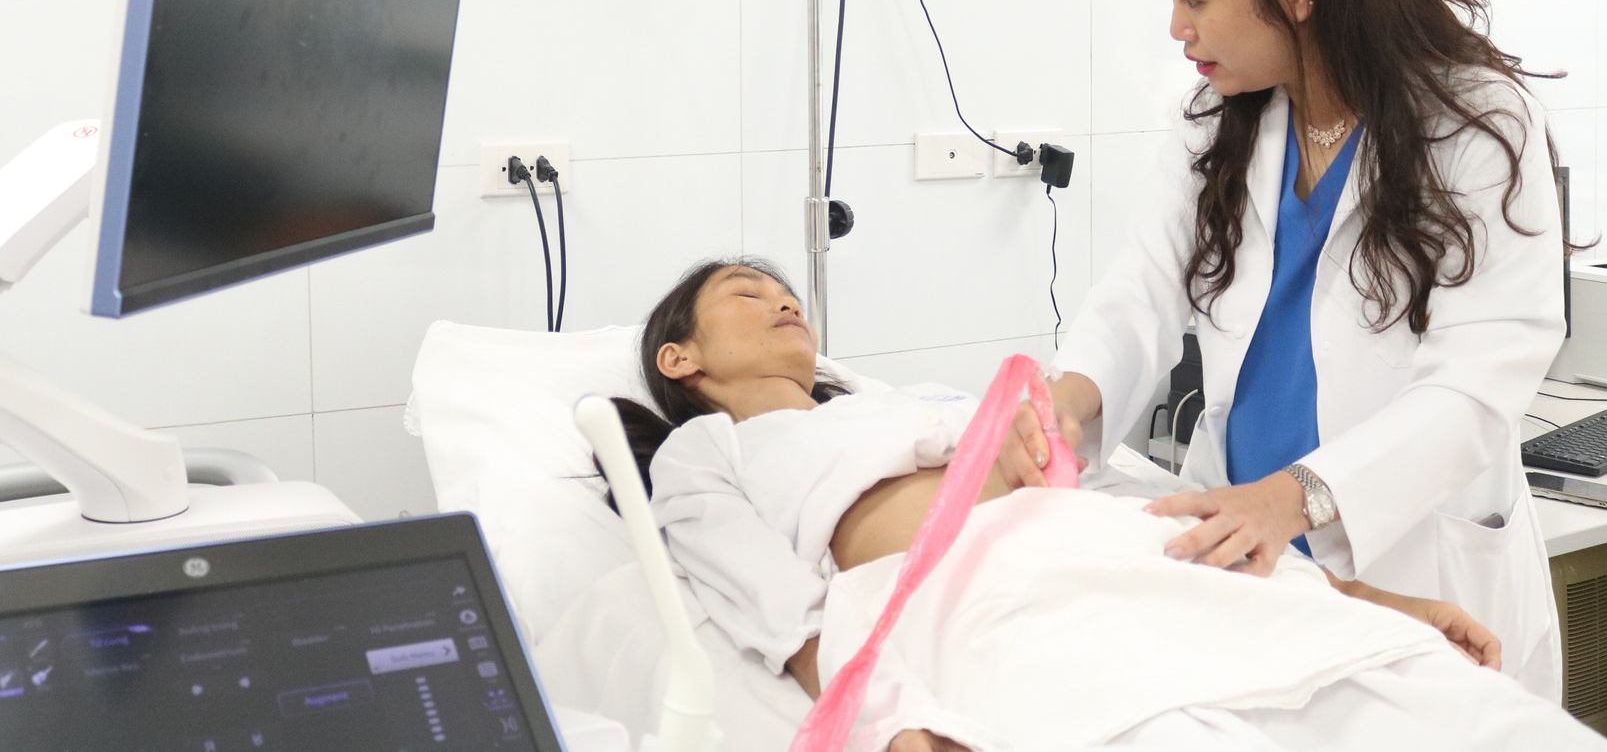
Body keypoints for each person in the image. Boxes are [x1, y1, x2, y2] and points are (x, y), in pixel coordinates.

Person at [1001, 0, 1569, 700]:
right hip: (1251, 554)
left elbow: (1476, 385)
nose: (1176, 28)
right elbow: (1143, 285)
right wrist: (1070, 399)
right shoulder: (1218, 117)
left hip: (1409, 552)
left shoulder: (1475, 125)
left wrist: (1295, 496)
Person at [608, 258, 1596, 751]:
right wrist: (885, 724)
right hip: (995, 599)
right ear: (678, 358)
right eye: (745, 293)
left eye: (786, 288)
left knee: (1463, 716)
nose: (782, 298)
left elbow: (1134, 506)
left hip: (1120, 561)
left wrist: (1361, 598)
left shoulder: (920, 404)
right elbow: (772, 601)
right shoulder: (709, 450)